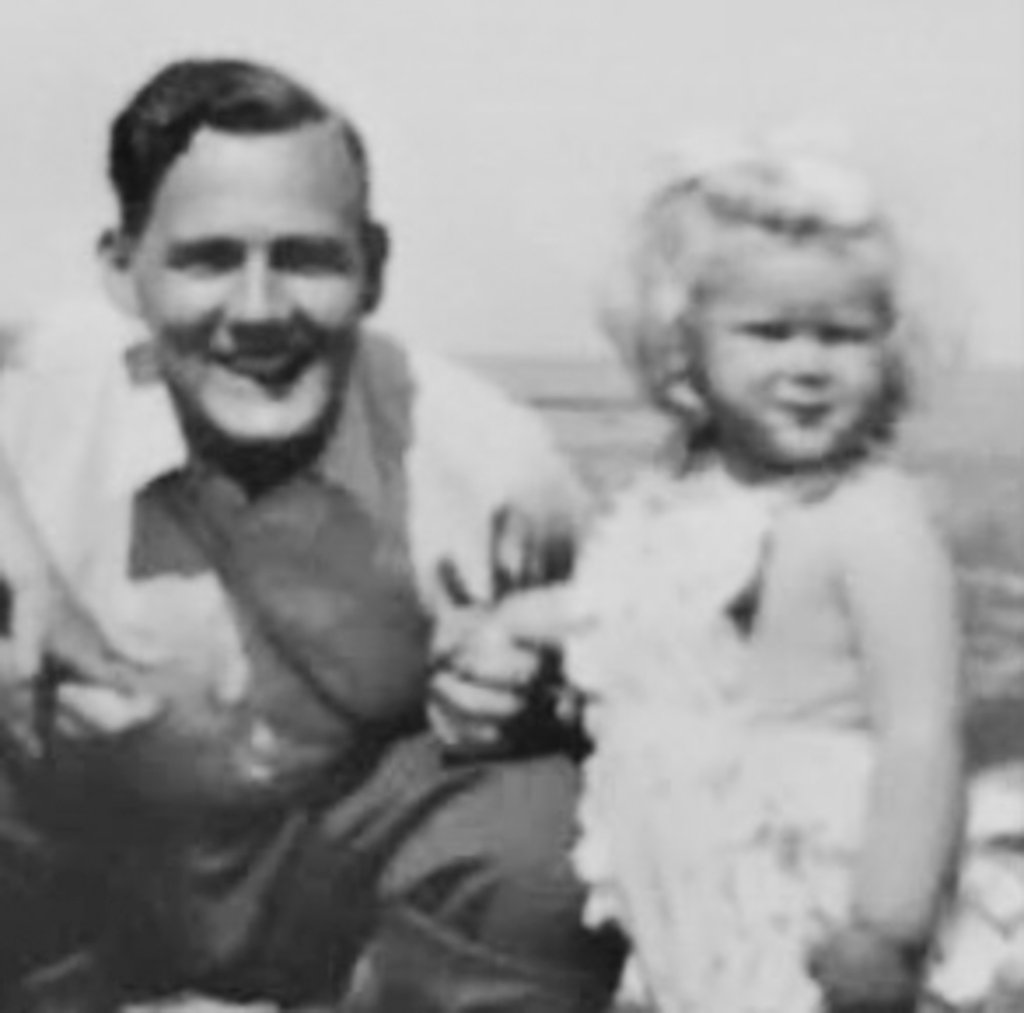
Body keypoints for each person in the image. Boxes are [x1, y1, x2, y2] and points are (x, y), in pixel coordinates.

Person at [0, 58, 624, 1013]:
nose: (258, 312)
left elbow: (654, 675)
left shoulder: (489, 459)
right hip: (79, 872)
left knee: (538, 828)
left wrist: (544, 695)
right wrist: (16, 559)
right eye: (207, 259)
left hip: (335, 884)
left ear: (374, 267)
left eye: (306, 258)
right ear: (122, 269)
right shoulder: (41, 394)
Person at [474, 138, 1018, 1012]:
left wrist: (887, 925)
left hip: (808, 878)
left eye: (842, 336)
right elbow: (631, 606)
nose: (806, 365)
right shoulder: (686, 489)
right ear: (684, 348)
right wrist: (512, 623)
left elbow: (921, 732)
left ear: (892, 346)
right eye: (769, 333)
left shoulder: (869, 517)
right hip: (688, 860)